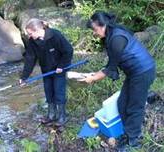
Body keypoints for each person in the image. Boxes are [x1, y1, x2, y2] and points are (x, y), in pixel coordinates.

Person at [79, 11, 156, 151]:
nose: (94, 33)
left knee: (134, 106)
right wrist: (95, 74)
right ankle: (128, 132)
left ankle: (134, 141)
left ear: (103, 25)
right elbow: (110, 64)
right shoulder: (111, 34)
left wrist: (93, 78)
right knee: (122, 103)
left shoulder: (116, 38)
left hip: (143, 71)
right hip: (134, 73)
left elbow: (110, 68)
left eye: (95, 30)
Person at [19, 18, 73, 127]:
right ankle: (51, 115)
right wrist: (24, 77)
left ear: (38, 30)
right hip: (46, 70)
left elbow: (68, 50)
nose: (29, 36)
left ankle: (62, 116)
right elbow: (30, 59)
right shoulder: (32, 42)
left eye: (30, 33)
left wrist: (62, 66)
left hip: (59, 70)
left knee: (59, 91)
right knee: (48, 92)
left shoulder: (55, 35)